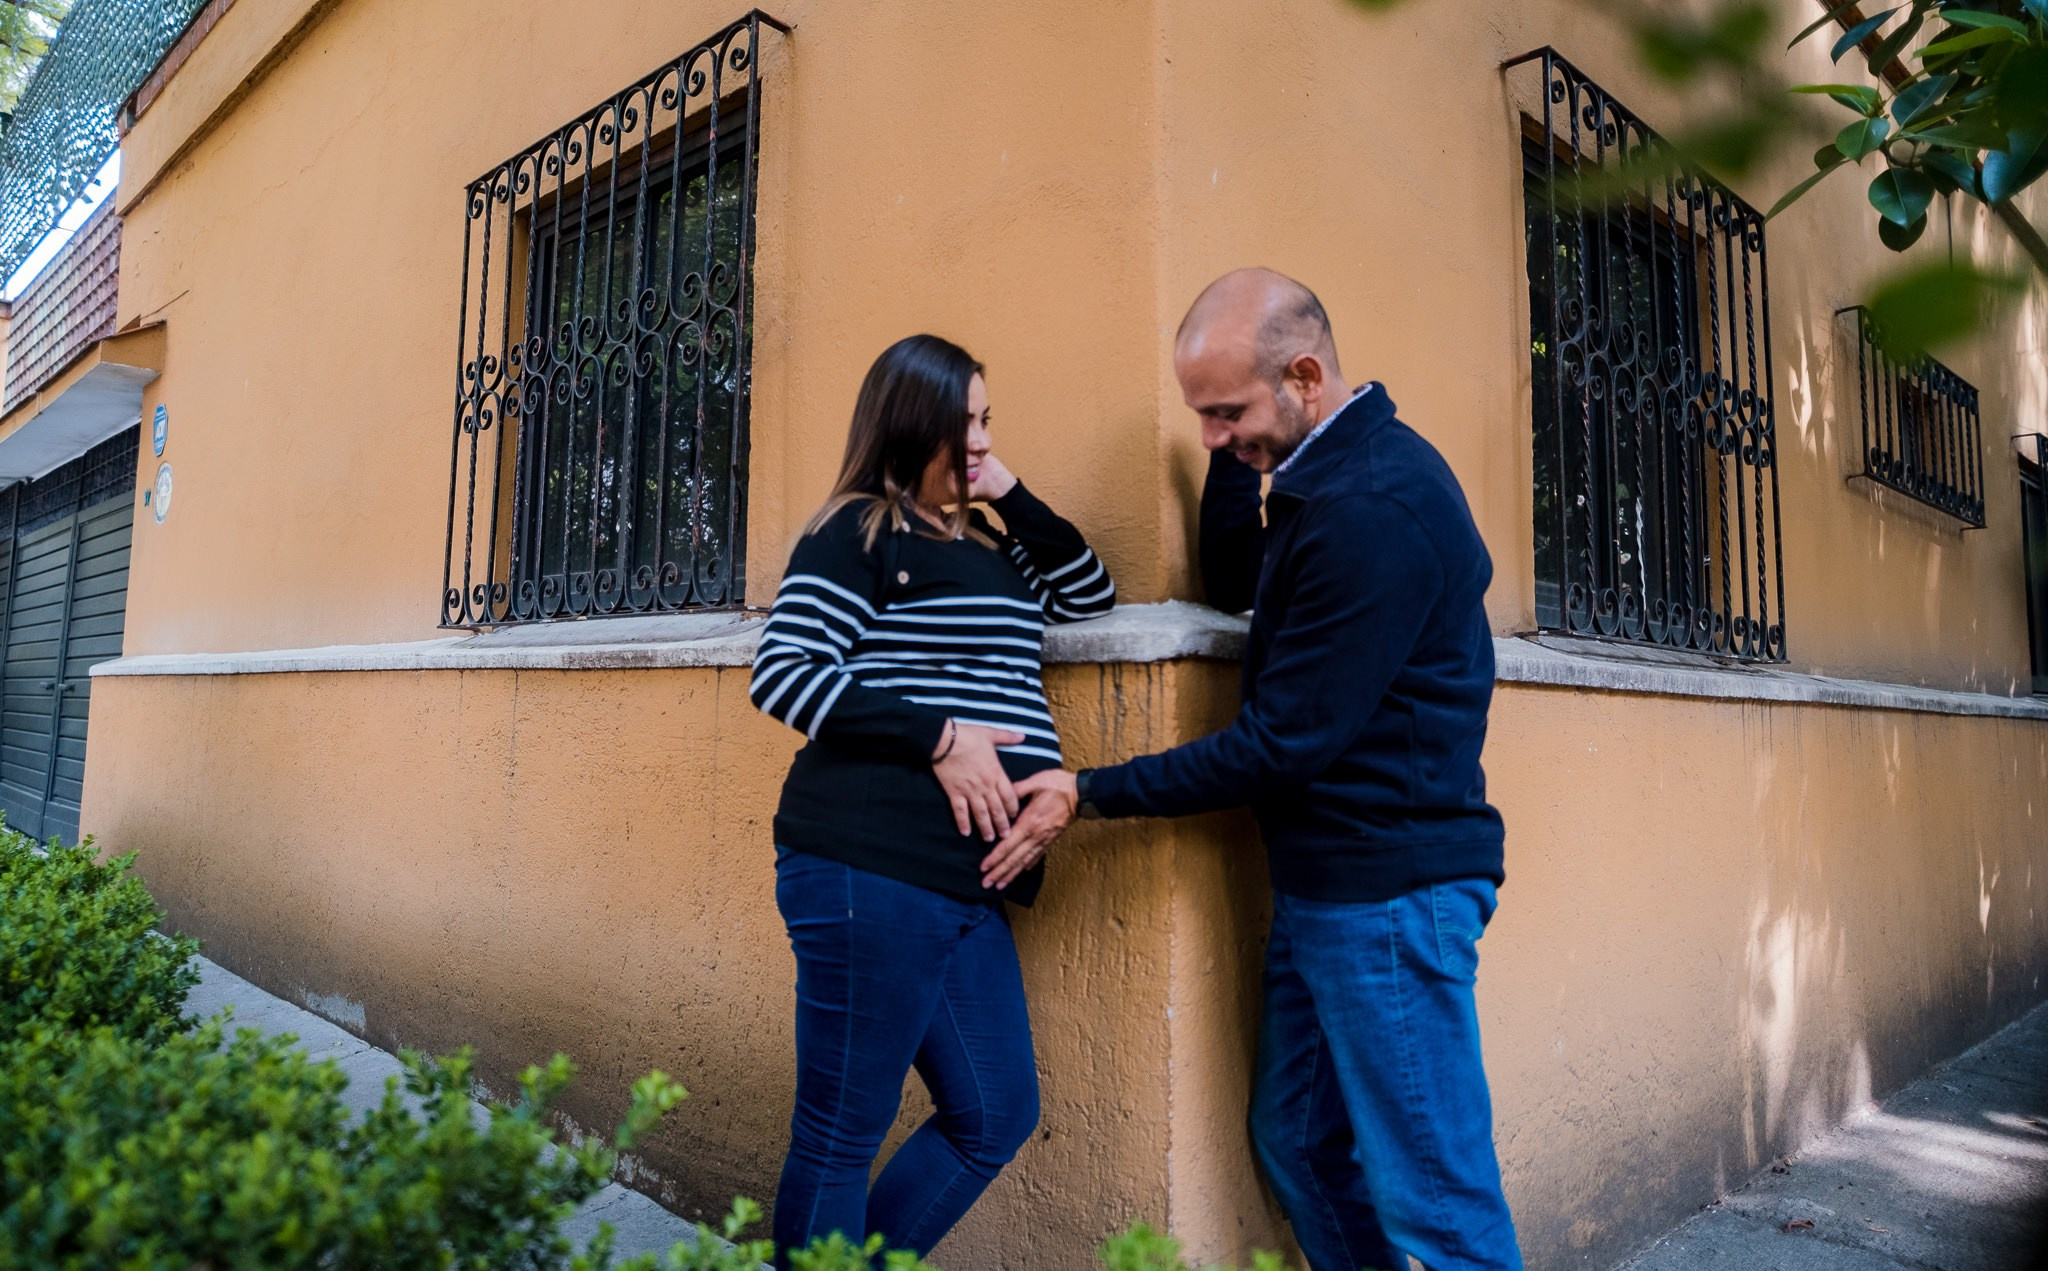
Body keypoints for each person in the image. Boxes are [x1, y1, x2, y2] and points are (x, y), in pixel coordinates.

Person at [986, 270, 1522, 1270]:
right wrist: (1240, 454)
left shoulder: (1371, 506)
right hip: (1329, 890)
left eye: (1225, 412)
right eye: (1200, 414)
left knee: (1439, 1206)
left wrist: (1089, 789)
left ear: (1305, 376)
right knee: (1299, 1143)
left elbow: (1283, 742)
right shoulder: (1323, 479)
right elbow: (1243, 577)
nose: (1208, 436)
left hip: (1387, 897)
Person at [748, 333, 1116, 1264]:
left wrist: (1005, 491)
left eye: (988, 420)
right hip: (872, 861)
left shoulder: (989, 545)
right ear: (912, 427)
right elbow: (783, 673)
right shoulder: (859, 530)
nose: (981, 440)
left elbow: (1089, 594)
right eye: (964, 425)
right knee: (840, 1133)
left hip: (966, 879)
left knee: (994, 1111)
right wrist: (941, 738)